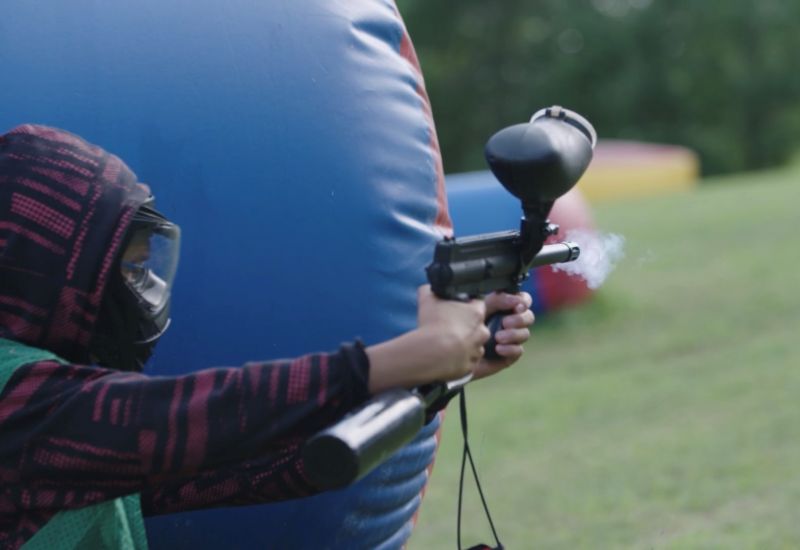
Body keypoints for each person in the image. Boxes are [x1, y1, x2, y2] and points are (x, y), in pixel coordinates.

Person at [0, 125, 534, 548]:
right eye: (128, 268)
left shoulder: (67, 432)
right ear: (49, 260)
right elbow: (195, 417)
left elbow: (246, 468)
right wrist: (418, 353)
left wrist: (435, 379)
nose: (143, 287)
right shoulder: (19, 402)